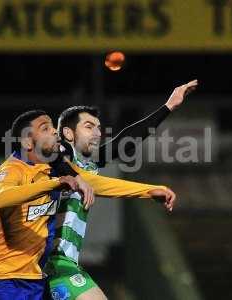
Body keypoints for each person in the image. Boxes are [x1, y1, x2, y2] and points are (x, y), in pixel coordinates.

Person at [0, 110, 175, 300]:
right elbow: (1, 198)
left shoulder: (53, 167)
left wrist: (148, 191)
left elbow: (95, 183)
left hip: (34, 279)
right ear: (28, 140)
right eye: (45, 128)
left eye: (53, 126)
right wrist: (56, 183)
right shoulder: (12, 169)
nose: (54, 130)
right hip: (1, 278)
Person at [45, 80, 198, 300]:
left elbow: (125, 141)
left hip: (58, 263)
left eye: (98, 127)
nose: (97, 133)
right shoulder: (59, 158)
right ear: (68, 134)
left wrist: (168, 107)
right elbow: (90, 181)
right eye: (89, 127)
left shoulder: (85, 162)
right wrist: (148, 190)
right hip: (51, 262)